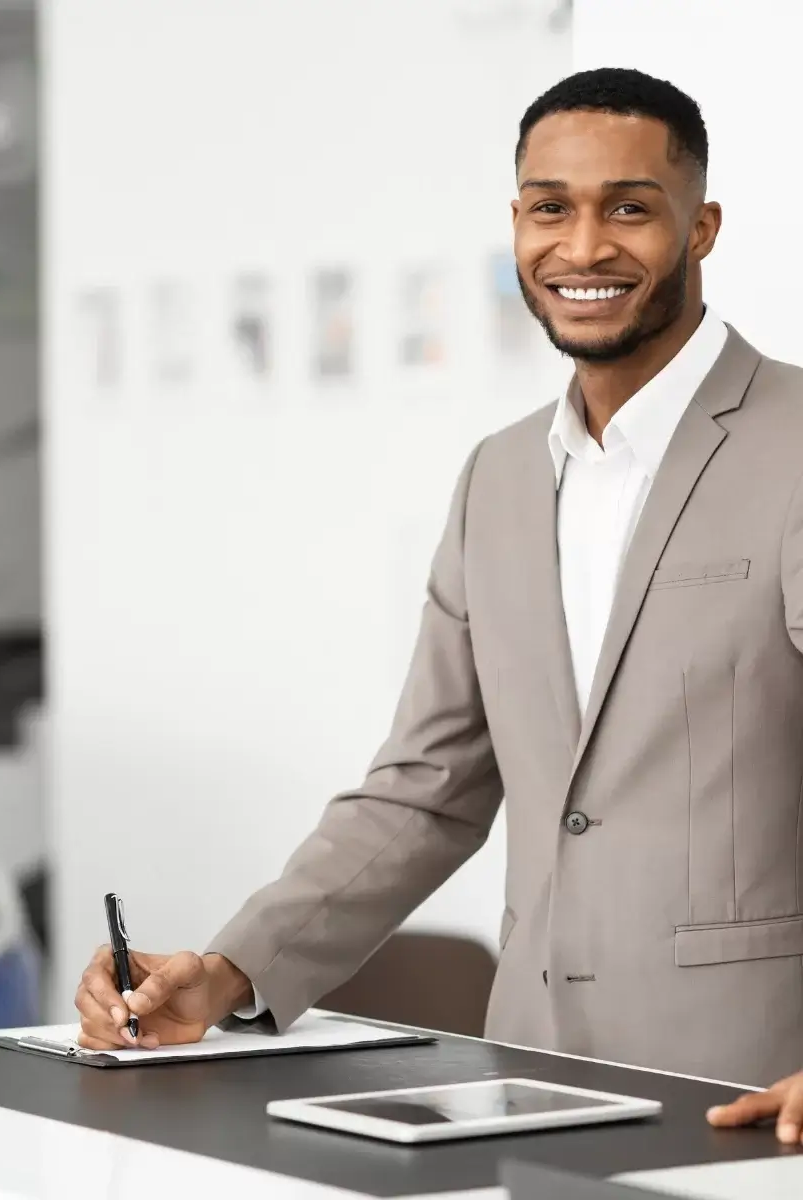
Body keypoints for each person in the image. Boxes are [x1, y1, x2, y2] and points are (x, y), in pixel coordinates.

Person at [75, 68, 803, 1143]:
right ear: (517, 222)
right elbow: (427, 787)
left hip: (755, 1096)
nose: (585, 246)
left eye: (630, 207)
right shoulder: (498, 479)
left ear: (702, 228)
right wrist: (228, 975)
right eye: (552, 207)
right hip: (531, 1086)